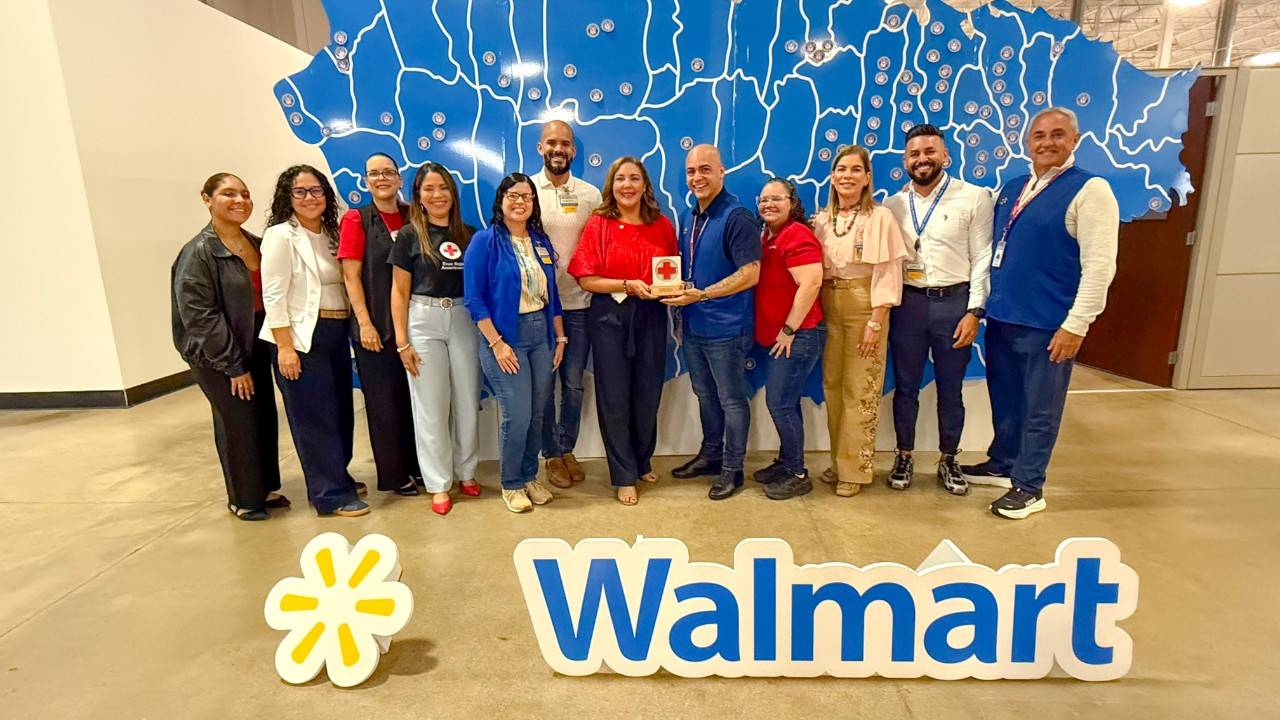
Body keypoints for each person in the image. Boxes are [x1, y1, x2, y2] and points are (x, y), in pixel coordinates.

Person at [963, 107, 1119, 519]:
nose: (1047, 142)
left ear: (1075, 140)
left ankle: (1030, 486)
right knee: (1007, 400)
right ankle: (1003, 462)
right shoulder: (1014, 188)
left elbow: (1100, 266)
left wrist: (1076, 324)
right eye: (1039, 135)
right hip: (1004, 318)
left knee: (1040, 409)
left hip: (1049, 324)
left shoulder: (1091, 190)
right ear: (1027, 142)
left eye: (1058, 135)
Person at [882, 124, 994, 496]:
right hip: (909, 305)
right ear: (905, 161)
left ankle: (949, 459)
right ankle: (904, 455)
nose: (922, 159)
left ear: (945, 156)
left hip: (954, 305)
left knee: (950, 390)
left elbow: (982, 258)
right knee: (906, 389)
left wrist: (975, 311)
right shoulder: (894, 204)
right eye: (914, 154)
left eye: (930, 152)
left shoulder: (974, 198)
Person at [172, 173, 286, 521]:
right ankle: (243, 498)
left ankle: (264, 487)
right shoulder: (198, 253)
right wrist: (233, 365)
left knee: (264, 415)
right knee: (238, 421)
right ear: (207, 199)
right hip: (218, 352)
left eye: (245, 195)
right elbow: (200, 316)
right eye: (228, 194)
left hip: (256, 341)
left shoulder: (254, 242)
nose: (239, 201)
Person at [259, 165, 370, 518]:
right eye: (301, 192)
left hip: (336, 334)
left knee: (340, 413)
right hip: (302, 338)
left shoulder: (332, 234)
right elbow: (273, 294)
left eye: (316, 191)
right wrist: (285, 347)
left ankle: (339, 475)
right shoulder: (280, 236)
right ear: (287, 198)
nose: (310, 198)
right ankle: (328, 494)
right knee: (313, 417)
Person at [568, 156, 678, 506]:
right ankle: (623, 474)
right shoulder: (599, 223)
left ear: (645, 185)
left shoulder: (661, 225)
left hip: (652, 315)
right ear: (611, 186)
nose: (627, 185)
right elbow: (586, 277)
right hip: (610, 317)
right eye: (620, 179)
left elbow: (670, 274)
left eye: (634, 179)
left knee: (647, 393)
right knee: (614, 397)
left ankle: (642, 458)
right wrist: (628, 284)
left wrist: (673, 291)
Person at [463, 173, 566, 513]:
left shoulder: (540, 241)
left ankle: (528, 475)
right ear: (501, 201)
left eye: (527, 196)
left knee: (538, 413)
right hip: (505, 337)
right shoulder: (484, 241)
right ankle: (511, 483)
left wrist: (560, 336)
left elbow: (552, 295)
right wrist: (497, 344)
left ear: (534, 204)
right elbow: (474, 299)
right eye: (513, 195)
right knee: (517, 414)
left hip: (542, 337)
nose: (520, 201)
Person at [664, 145, 762, 501]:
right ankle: (711, 454)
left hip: (726, 328)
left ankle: (733, 469)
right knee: (705, 396)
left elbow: (751, 273)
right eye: (691, 172)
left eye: (705, 170)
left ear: (722, 171)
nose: (697, 178)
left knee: (732, 400)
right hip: (694, 327)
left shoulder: (737, 216)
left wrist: (702, 295)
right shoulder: (692, 216)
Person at [389, 163, 482, 516]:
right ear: (418, 197)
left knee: (466, 399)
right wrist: (402, 342)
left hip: (462, 317)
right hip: (423, 319)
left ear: (453, 193)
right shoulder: (410, 235)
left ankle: (467, 472)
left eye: (443, 187)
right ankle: (439, 484)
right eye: (428, 189)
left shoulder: (469, 235)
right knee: (430, 405)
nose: (437, 195)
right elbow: (398, 291)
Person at [815, 145, 907, 497]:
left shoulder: (880, 218)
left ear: (867, 177)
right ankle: (839, 461)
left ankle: (856, 469)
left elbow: (887, 271)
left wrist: (876, 319)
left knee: (860, 388)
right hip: (829, 302)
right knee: (833, 386)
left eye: (856, 169)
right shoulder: (822, 220)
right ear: (832, 176)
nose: (847, 176)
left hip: (863, 305)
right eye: (841, 169)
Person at [338, 153, 421, 497]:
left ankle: (419, 466)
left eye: (388, 172)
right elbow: (350, 275)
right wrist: (365, 323)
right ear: (366, 181)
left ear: (400, 179)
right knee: (384, 403)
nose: (382, 178)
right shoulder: (357, 220)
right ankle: (394, 474)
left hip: (414, 324)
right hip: (374, 326)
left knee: (414, 401)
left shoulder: (413, 217)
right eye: (374, 173)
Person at [531, 121, 602, 489]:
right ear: (541, 147)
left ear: (573, 151)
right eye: (552, 143)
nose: (559, 149)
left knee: (573, 384)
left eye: (566, 144)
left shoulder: (590, 195)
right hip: (538, 309)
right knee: (543, 386)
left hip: (580, 306)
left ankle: (567, 447)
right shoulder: (525, 191)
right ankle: (550, 455)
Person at [751, 178, 826, 501]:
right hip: (779, 336)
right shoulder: (768, 236)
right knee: (786, 402)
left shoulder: (796, 235)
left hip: (798, 335)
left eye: (776, 199)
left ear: (792, 203)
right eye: (764, 199)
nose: (769, 205)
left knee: (779, 402)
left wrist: (789, 330)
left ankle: (797, 472)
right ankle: (786, 461)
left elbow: (810, 284)